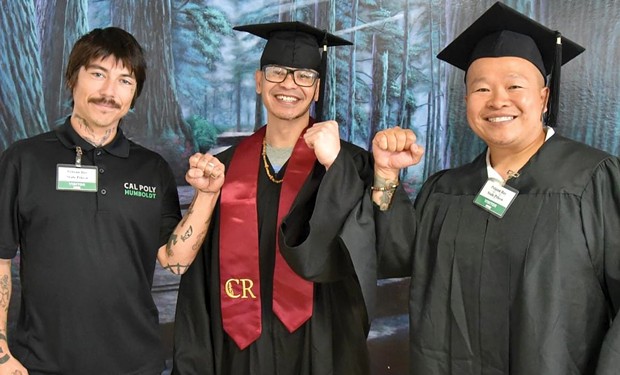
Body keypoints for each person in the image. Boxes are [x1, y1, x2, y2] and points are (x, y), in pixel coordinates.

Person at [369, 2, 620, 374]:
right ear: (467, 100)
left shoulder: (592, 179)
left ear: (544, 98)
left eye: (515, 85)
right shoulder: (446, 189)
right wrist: (385, 175)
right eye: (481, 88)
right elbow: (396, 258)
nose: (498, 100)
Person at [172, 22, 380, 375]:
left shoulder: (349, 164)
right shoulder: (223, 168)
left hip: (321, 341)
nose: (288, 84)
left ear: (316, 90)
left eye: (303, 76)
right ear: (258, 82)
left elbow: (369, 249)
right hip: (239, 345)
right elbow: (198, 276)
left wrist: (337, 168)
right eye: (277, 72)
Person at [0, 27, 209, 375]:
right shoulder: (24, 160)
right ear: (73, 78)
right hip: (42, 364)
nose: (109, 92)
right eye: (98, 74)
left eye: (125, 81)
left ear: (135, 94)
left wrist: (207, 194)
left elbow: (175, 261)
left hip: (136, 365)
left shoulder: (152, 169)